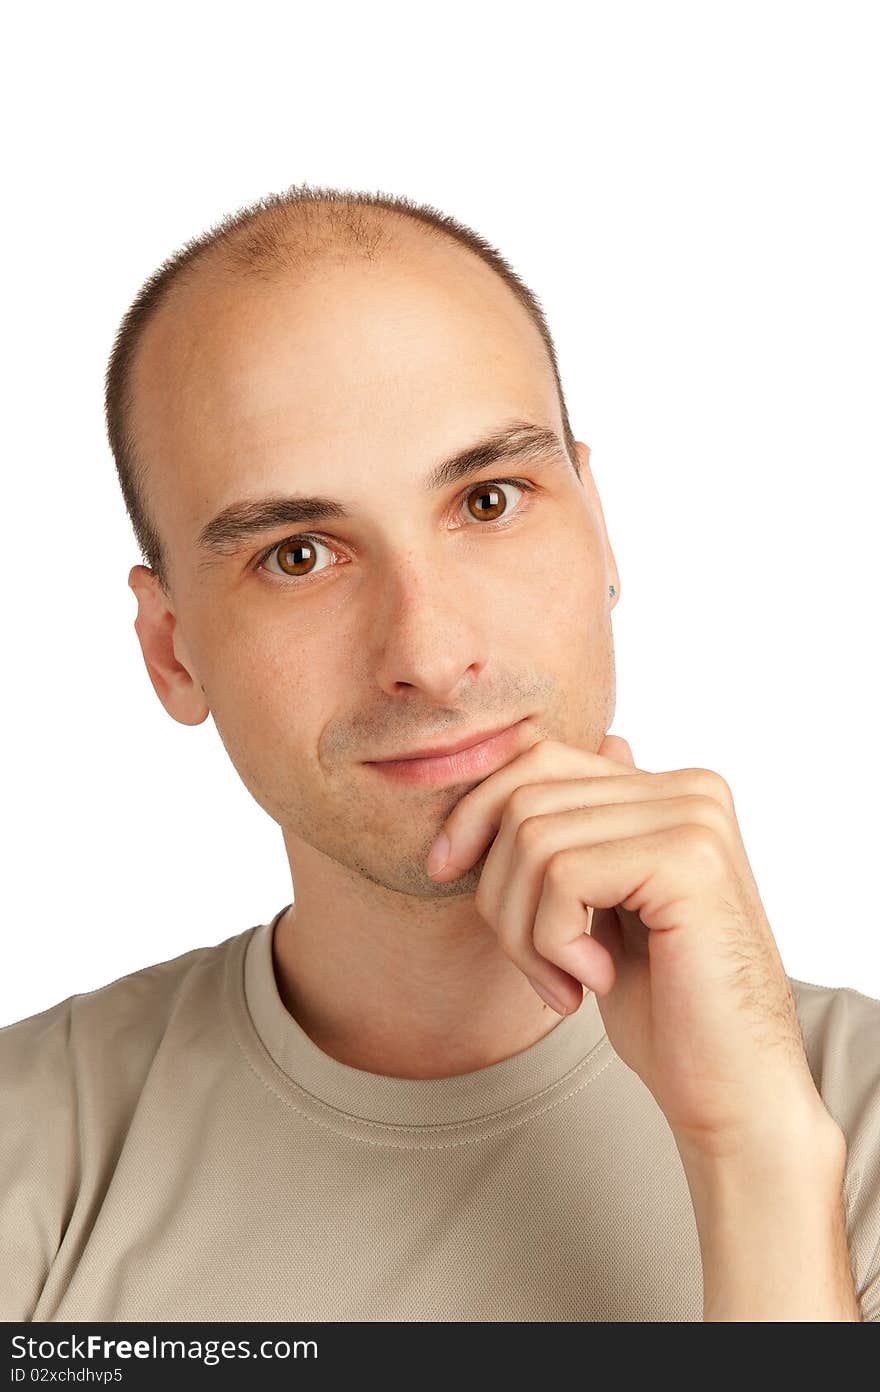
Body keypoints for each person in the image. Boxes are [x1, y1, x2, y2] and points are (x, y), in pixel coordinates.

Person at [2, 184, 878, 1323]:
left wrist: (754, 1151)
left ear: (598, 526)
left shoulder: (838, 1119)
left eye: (489, 498)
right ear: (173, 654)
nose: (429, 651)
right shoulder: (33, 1149)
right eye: (299, 555)